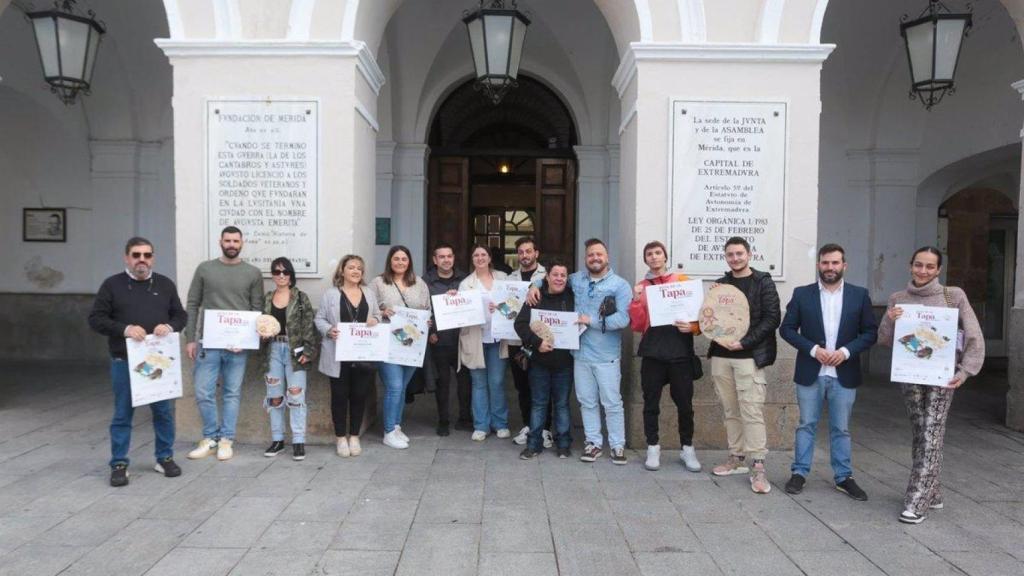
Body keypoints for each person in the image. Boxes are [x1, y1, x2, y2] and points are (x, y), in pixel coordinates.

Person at [878, 246, 984, 524]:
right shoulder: (898, 299)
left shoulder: (953, 296)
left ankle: (917, 499)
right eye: (918, 265)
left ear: (938, 270)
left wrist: (964, 371)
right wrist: (889, 320)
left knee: (931, 433)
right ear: (911, 266)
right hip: (910, 377)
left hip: (942, 378)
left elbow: (974, 334)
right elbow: (885, 340)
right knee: (920, 433)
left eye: (929, 266)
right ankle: (933, 491)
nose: (923, 271)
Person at [779, 243, 877, 500]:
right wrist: (813, 349)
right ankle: (799, 473)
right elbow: (787, 329)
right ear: (818, 265)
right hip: (811, 370)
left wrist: (845, 352)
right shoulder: (802, 294)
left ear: (844, 265)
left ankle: (844, 477)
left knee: (841, 428)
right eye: (825, 263)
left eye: (835, 263)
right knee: (806, 425)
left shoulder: (859, 295)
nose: (830, 267)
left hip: (844, 373)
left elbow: (870, 333)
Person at [88, 237, 187, 487]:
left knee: (163, 412)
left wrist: (170, 325)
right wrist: (125, 329)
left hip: (159, 362)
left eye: (147, 255)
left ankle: (164, 457)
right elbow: (96, 319)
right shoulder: (112, 285)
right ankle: (119, 463)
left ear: (153, 257)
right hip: (125, 361)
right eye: (136, 255)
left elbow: (180, 315)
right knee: (123, 414)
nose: (141, 260)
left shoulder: (164, 284)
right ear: (126, 257)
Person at [529, 238, 631, 464]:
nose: (595, 258)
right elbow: (548, 277)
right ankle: (593, 443)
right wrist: (533, 287)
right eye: (590, 255)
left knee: (612, 402)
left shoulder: (620, 285)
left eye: (599, 254)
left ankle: (617, 445)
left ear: (607, 257)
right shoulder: (576, 280)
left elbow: (624, 318)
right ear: (585, 259)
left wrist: (591, 320)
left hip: (607, 356)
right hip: (580, 354)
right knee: (587, 402)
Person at [184, 226, 263, 461]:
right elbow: (192, 303)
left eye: (235, 241)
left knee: (231, 393)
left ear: (242, 243)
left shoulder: (253, 273)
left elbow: (256, 309)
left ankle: (226, 439)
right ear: (220, 242)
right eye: (227, 240)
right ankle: (210, 437)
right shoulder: (205, 269)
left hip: (238, 346)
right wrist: (190, 338)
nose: (231, 244)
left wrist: (248, 341)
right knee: (203, 391)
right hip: (208, 343)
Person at [708, 236, 780, 494]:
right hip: (721, 356)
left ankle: (758, 465)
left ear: (749, 254)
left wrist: (745, 342)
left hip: (750, 357)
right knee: (730, 410)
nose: (735, 258)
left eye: (739, 253)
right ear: (726, 257)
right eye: (730, 254)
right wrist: (710, 304)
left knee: (751, 411)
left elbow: (773, 318)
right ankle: (736, 458)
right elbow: (711, 319)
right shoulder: (722, 284)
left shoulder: (763, 282)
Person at [628, 241, 702, 473]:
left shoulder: (683, 281)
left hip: (680, 352)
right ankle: (653, 447)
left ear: (665, 256)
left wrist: (693, 328)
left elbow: (700, 317)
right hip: (653, 352)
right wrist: (637, 300)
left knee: (685, 405)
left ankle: (687, 449)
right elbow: (638, 325)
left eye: (658, 253)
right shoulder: (641, 286)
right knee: (651, 403)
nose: (654, 257)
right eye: (649, 254)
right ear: (645, 259)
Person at [316, 255, 381, 457]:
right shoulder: (331, 295)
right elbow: (319, 318)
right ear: (342, 271)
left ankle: (354, 435)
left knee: (359, 396)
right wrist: (329, 330)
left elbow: (378, 315)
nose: (355, 271)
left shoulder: (369, 293)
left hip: (362, 354)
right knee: (339, 397)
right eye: (351, 267)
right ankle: (340, 437)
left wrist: (374, 320)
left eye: (359, 268)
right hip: (338, 355)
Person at [370, 245, 432, 449]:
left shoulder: (419, 283)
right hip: (388, 342)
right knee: (394, 386)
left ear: (409, 262)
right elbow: (368, 308)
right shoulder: (378, 283)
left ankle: (396, 426)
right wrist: (382, 311)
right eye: (396, 259)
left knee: (403, 387)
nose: (400, 262)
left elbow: (426, 309)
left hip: (412, 344)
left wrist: (428, 321)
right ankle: (388, 431)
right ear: (390, 261)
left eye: (404, 259)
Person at [258, 257, 318, 461]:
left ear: (291, 275)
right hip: (272, 350)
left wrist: (308, 352)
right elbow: (260, 324)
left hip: (295, 351)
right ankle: (277, 439)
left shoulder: (301, 298)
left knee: (296, 395)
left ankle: (299, 441)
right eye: (276, 272)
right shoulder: (267, 298)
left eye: (285, 272)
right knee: (274, 396)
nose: (281, 275)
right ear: (273, 275)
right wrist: (261, 335)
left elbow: (309, 326)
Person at [514, 258, 573, 459]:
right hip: (539, 362)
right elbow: (520, 324)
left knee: (562, 404)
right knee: (538, 403)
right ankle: (534, 444)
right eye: (555, 274)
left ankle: (563, 444)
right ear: (547, 277)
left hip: (564, 363)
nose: (559, 279)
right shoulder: (535, 298)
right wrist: (537, 342)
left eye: (563, 275)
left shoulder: (573, 297)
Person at [459, 244, 511, 441]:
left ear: (490, 258)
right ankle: (481, 425)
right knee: (479, 383)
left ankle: (500, 423)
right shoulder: (466, 284)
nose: (480, 258)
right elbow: (462, 313)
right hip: (476, 340)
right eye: (476, 255)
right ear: (472, 259)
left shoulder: (503, 278)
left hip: (497, 339)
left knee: (496, 382)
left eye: (483, 255)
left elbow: (515, 300)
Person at [507, 236, 552, 448]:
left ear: (536, 253)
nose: (525, 255)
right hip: (517, 341)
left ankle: (545, 429)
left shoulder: (548, 275)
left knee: (542, 386)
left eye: (528, 251)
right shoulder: (509, 278)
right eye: (521, 252)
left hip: (540, 340)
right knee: (522, 386)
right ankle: (527, 425)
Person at [423, 243, 472, 435]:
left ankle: (465, 418)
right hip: (439, 340)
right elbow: (422, 309)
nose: (446, 260)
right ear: (435, 260)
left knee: (465, 383)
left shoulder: (465, 280)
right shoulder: (425, 282)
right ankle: (443, 420)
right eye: (441, 257)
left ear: (454, 258)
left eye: (449, 256)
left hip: (462, 338)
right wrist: (431, 332)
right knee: (442, 383)